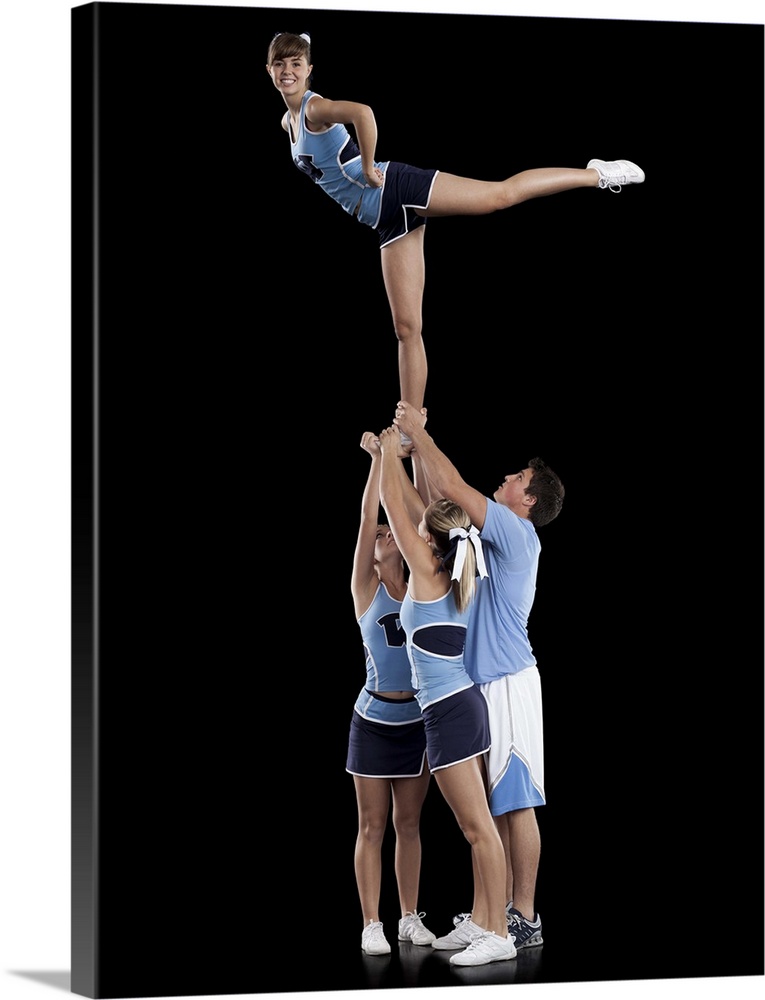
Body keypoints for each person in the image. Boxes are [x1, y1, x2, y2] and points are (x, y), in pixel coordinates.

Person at [266, 30, 645, 413]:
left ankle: (597, 174)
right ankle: (410, 429)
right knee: (406, 329)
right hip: (383, 221)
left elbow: (363, 113)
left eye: (296, 64)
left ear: (309, 69)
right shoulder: (288, 123)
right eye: (280, 64)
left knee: (499, 196)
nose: (287, 71)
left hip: (395, 188)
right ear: (268, 69)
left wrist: (367, 165)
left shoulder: (314, 110)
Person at [392, 400, 565, 953]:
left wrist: (419, 433)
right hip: (480, 686)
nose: (508, 478)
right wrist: (415, 448)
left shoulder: (516, 532)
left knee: (516, 801)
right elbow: (439, 502)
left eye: (518, 478)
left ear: (529, 500)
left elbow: (455, 486)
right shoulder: (487, 539)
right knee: (490, 808)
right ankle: (491, 913)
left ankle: (523, 918)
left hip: (509, 682)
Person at [376, 424, 517, 967]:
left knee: (477, 828)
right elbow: (423, 508)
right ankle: (486, 921)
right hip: (454, 711)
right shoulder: (457, 567)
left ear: (427, 537)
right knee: (477, 826)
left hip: (453, 713)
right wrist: (410, 451)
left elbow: (397, 503)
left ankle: (499, 932)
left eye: (419, 529)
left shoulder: (434, 574)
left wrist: (390, 450)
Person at [347, 431, 437, 957]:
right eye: (381, 535)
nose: (385, 532)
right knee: (373, 824)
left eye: (391, 531)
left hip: (417, 721)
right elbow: (365, 519)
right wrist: (379, 461)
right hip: (374, 719)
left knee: (409, 823)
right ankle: (370, 923)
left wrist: (398, 456)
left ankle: (408, 917)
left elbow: (418, 517)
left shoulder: (423, 585)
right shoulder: (367, 590)